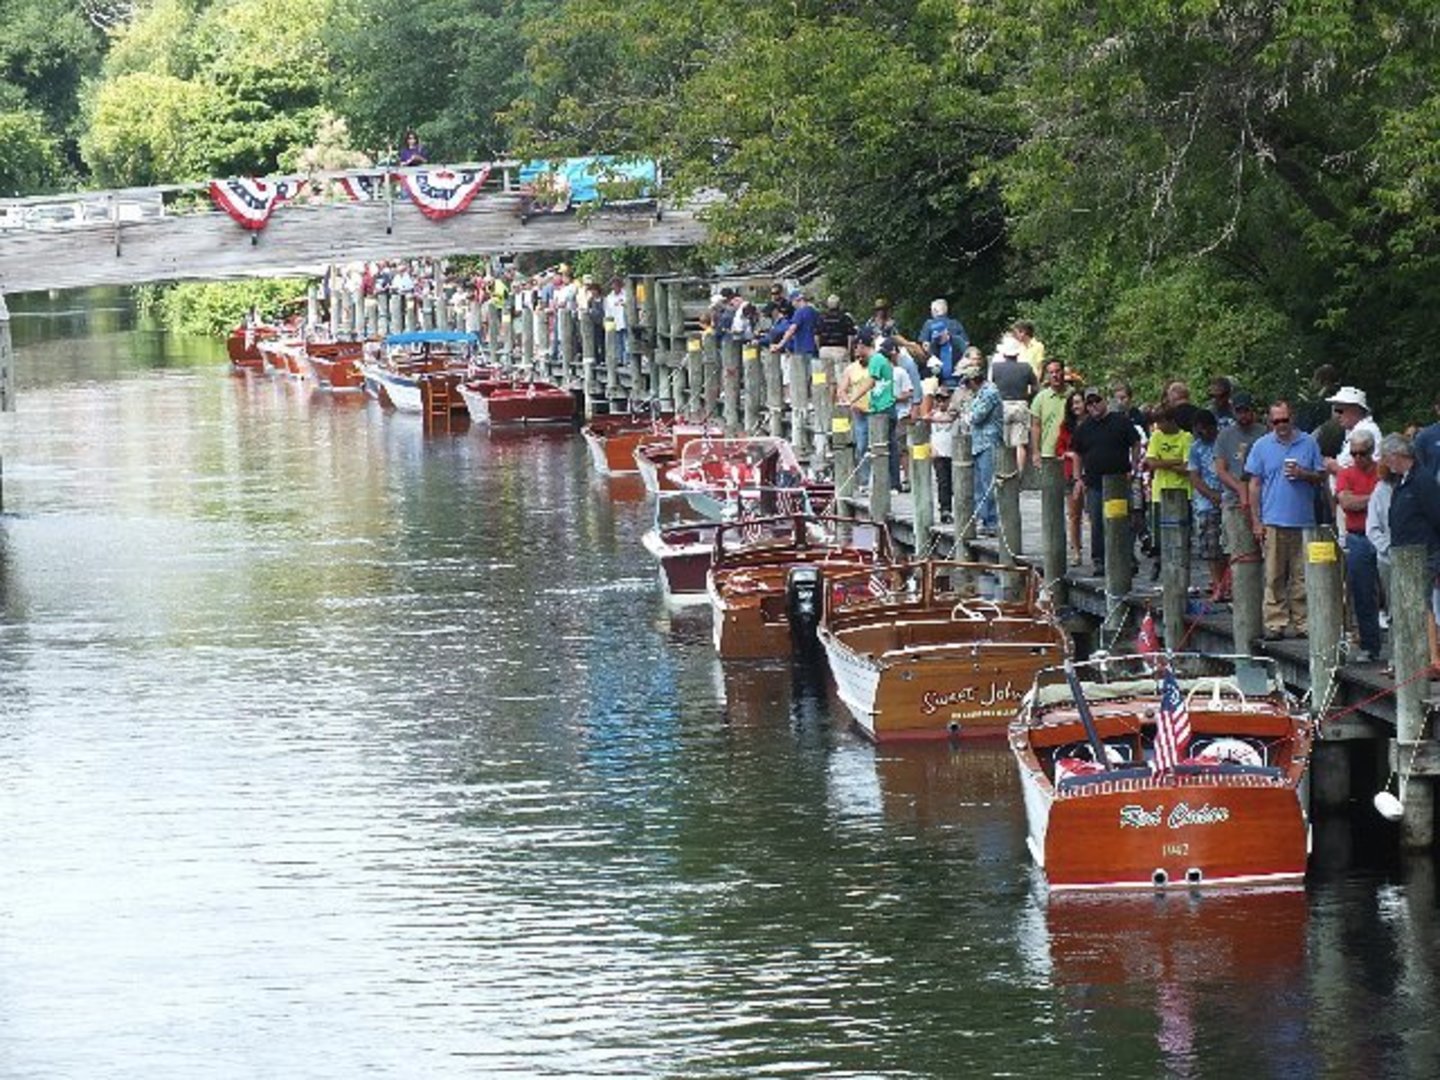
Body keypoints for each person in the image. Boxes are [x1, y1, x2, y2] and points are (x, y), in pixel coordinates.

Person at [1245, 399, 1325, 640]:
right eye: (1275, 421)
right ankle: (1275, 623)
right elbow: (1254, 484)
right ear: (1270, 422)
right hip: (1273, 519)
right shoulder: (1261, 445)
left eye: (1284, 419)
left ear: (1293, 418)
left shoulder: (1309, 442)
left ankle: (1304, 622)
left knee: (1303, 576)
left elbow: (1320, 476)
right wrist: (1256, 520)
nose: (1281, 424)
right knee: (1274, 575)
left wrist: (1303, 473)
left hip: (1304, 521)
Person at [1382, 431, 1440, 666]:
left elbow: (1437, 516)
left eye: (1387, 457)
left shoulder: (1423, 481)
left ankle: (1432, 658)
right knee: (1407, 605)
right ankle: (1413, 657)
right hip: (1404, 554)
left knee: (1421, 603)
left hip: (1423, 554)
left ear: (1398, 455)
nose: (1385, 463)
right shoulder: (1402, 482)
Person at [1070, 386, 1142, 576]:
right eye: (1089, 403)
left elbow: (1136, 442)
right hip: (1094, 483)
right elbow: (1076, 452)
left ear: (1105, 401)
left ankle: (1126, 557)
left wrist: (1134, 466)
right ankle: (1099, 560)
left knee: (1122, 520)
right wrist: (1078, 478)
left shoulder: (1121, 421)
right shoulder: (1083, 428)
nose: (1094, 405)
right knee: (1097, 522)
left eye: (1097, 401)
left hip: (1119, 481)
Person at [1336, 429, 1383, 662]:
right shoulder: (1345, 474)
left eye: (1362, 453)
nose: (1357, 458)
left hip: (1383, 536)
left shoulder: (1383, 471)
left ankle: (1399, 647)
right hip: (1357, 536)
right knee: (1362, 593)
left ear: (1371, 451)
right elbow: (1346, 502)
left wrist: (1363, 499)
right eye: (1353, 453)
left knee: (1390, 593)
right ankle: (1369, 645)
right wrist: (1374, 497)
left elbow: (1388, 500)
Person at [1213, 391, 1266, 595]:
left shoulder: (1263, 433)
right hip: (1233, 500)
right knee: (1237, 549)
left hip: (1260, 498)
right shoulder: (1225, 435)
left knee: (1262, 550)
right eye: (1239, 411)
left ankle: (1262, 594)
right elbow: (1220, 469)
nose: (1243, 415)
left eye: (1246, 410)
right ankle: (1241, 595)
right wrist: (1239, 488)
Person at [1144, 404, 1193, 581]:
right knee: (1159, 535)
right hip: (1159, 493)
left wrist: (1163, 462)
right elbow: (1151, 463)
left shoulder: (1186, 437)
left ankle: (1181, 572)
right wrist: (1175, 462)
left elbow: (1187, 467)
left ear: (1171, 421)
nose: (1158, 426)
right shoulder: (1156, 436)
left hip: (1182, 492)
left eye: (1161, 422)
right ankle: (1158, 563)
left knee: (1181, 536)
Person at [1188, 409, 1226, 600]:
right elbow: (1194, 476)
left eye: (1205, 429)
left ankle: (1228, 584)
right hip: (1206, 503)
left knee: (1227, 546)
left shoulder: (1223, 442)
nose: (1202, 433)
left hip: (1228, 499)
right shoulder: (1195, 448)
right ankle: (1217, 584)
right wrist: (1211, 495)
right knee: (1211, 549)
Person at [963, 359, 1002, 535]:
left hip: (988, 443)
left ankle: (992, 521)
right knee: (978, 486)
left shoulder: (990, 392)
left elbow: (976, 416)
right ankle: (983, 519)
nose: (966, 386)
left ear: (974, 380)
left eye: (966, 382)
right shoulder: (978, 393)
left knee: (988, 484)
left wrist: (967, 415)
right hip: (977, 444)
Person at [990, 334, 1038, 473]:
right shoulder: (1026, 367)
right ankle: (1019, 474)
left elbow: (990, 387)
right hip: (1020, 403)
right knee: (1020, 443)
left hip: (1002, 405)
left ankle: (1002, 472)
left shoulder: (995, 367)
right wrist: (1027, 397)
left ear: (1004, 353)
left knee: (1002, 442)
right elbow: (1036, 387)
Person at [840, 330, 877, 483]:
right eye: (857, 354)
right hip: (859, 412)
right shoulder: (850, 369)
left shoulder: (876, 365)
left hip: (875, 410)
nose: (859, 356)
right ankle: (864, 480)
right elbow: (841, 390)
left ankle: (878, 479)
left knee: (877, 445)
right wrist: (849, 401)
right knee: (862, 446)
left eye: (861, 352)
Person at [1059, 389, 1087, 562]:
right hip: (1071, 472)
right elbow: (1059, 448)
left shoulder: (1094, 422)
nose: (1076, 406)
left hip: (1090, 471)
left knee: (1095, 514)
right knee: (1074, 514)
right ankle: (1076, 551)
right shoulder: (1066, 426)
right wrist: (1070, 454)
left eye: (1079, 402)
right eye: (1073, 403)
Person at [917, 298, 969, 387]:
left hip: (938, 378)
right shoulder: (956, 323)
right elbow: (967, 344)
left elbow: (925, 346)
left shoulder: (929, 324)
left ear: (935, 310)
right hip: (957, 377)